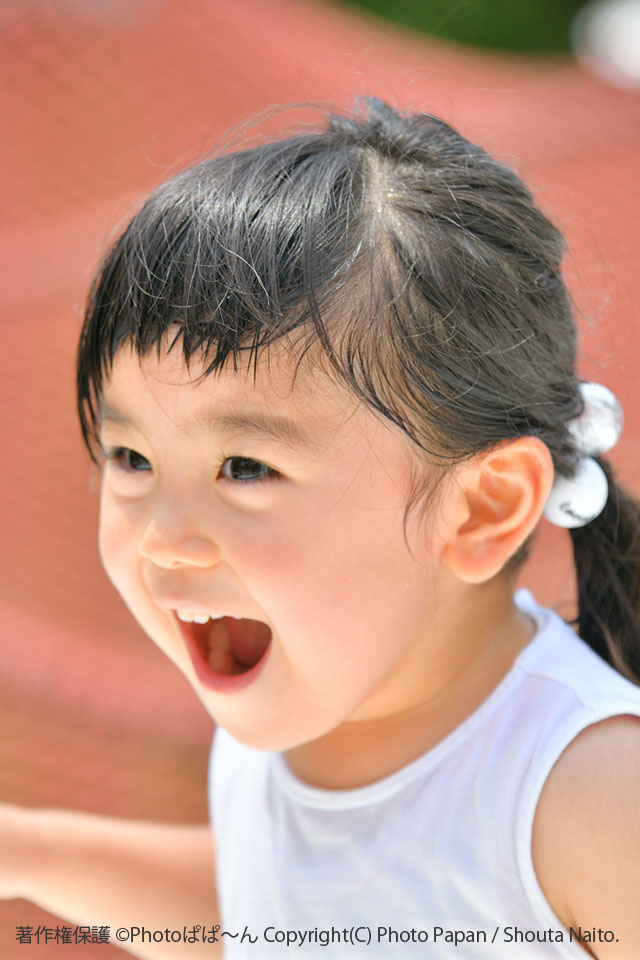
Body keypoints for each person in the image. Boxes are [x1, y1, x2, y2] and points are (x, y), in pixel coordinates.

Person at [2, 98, 640, 959]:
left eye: (247, 468)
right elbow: (280, 909)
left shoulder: (591, 797)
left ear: (483, 507)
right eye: (130, 457)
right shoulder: (299, 702)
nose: (163, 537)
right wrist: (30, 851)